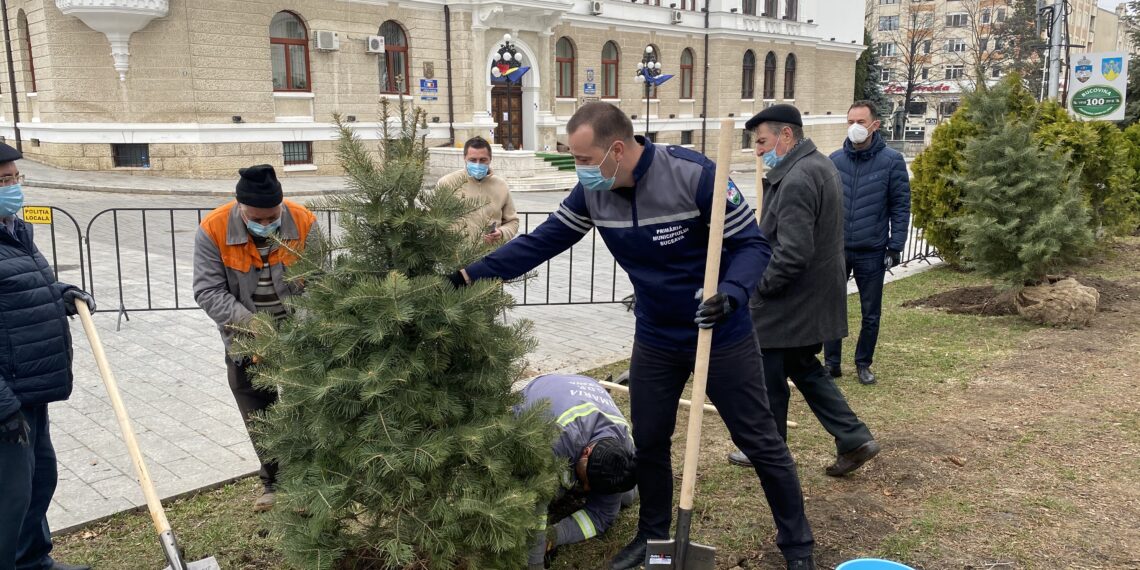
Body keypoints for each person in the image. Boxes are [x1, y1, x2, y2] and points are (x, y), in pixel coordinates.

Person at [448, 102, 816, 570]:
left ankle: (798, 548)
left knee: (762, 441)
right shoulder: (593, 194)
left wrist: (731, 294)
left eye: (582, 159)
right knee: (650, 440)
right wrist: (467, 275)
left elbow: (751, 245)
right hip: (658, 336)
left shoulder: (694, 176)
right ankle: (652, 536)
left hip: (719, 333)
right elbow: (539, 243)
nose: (578, 169)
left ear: (616, 150)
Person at [730, 104, 880, 478]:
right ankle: (854, 438)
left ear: (786, 135)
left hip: (790, 299)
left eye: (762, 141)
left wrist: (758, 288)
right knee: (801, 367)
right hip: (810, 295)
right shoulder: (817, 164)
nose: (759, 150)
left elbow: (794, 252)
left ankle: (769, 449)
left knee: (769, 373)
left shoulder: (798, 177)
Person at [192, 164, 320, 512]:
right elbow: (208, 291)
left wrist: (299, 327)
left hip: (298, 336)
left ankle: (310, 482)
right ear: (240, 208)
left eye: (272, 217)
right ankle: (275, 484)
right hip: (246, 341)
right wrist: (252, 324)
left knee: (304, 409)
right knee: (259, 414)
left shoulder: (304, 221)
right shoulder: (214, 228)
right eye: (257, 219)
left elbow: (320, 281)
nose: (266, 225)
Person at [0, 142, 94, 570]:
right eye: (3, 181)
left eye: (15, 178)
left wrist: (61, 295)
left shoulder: (14, 230)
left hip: (29, 385)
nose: (14, 187)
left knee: (39, 479)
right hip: (6, 401)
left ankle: (34, 561)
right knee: (8, 498)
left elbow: (20, 293)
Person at [823, 101, 911, 385]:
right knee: (831, 307)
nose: (854, 128)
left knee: (870, 311)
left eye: (860, 122)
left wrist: (895, 245)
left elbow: (900, 205)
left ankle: (863, 363)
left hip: (872, 250)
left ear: (875, 125)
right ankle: (831, 363)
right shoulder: (834, 160)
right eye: (850, 122)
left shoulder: (891, 161)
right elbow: (823, 206)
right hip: (837, 249)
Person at [517, 374, 637, 570]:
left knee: (625, 498)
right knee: (553, 490)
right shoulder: (554, 441)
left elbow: (602, 515)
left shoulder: (624, 445)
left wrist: (555, 535)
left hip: (581, 391)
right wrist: (535, 562)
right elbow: (535, 507)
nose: (587, 488)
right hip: (540, 394)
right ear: (587, 453)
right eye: (587, 480)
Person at [437, 136, 520, 245]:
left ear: (490, 159)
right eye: (473, 160)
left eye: (483, 160)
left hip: (491, 256)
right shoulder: (447, 183)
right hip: (457, 258)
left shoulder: (501, 186)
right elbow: (435, 221)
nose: (478, 164)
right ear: (465, 158)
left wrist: (501, 232)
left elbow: (512, 222)